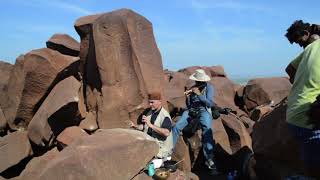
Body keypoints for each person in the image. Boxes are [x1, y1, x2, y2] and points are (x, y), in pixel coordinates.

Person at [285, 20, 320, 178]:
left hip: (294, 114)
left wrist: (300, 83)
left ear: (308, 35)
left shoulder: (309, 49)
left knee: (310, 164)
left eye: (300, 41)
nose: (300, 45)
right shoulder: (312, 46)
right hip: (309, 117)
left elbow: (289, 68)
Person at [172, 69, 218, 172]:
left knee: (207, 130)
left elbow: (209, 104)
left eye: (200, 81)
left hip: (203, 110)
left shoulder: (209, 88)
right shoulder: (192, 87)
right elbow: (189, 105)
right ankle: (168, 153)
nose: (198, 83)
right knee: (176, 127)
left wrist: (199, 94)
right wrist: (188, 97)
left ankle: (210, 160)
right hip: (191, 111)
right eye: (197, 81)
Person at [130, 92, 174, 159]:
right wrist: (135, 126)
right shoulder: (150, 112)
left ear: (159, 102)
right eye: (149, 102)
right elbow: (145, 127)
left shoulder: (165, 116)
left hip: (161, 149)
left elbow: (166, 132)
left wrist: (150, 125)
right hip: (150, 144)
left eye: (152, 102)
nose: (150, 105)